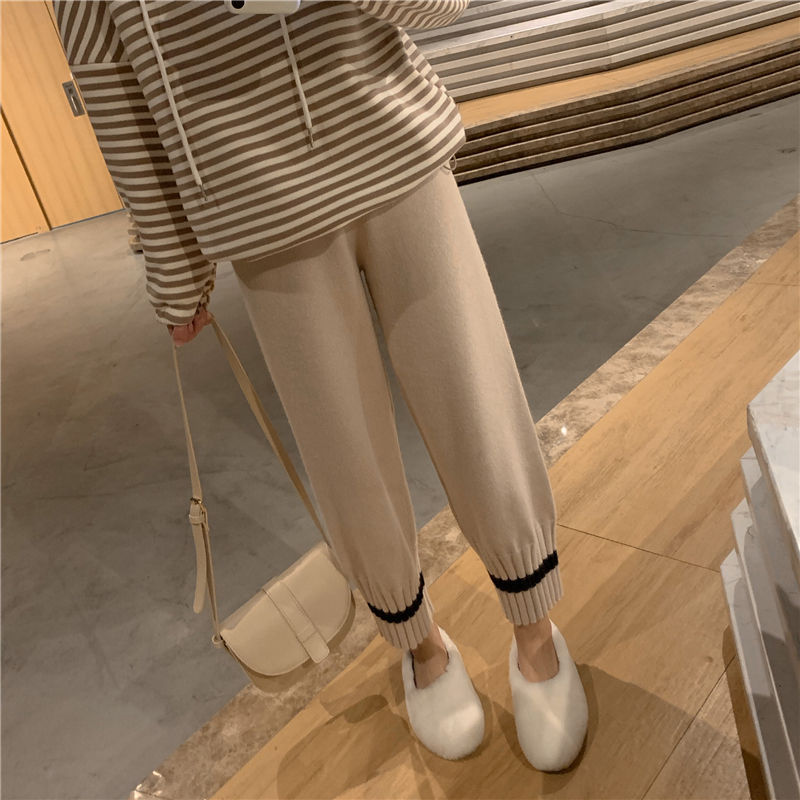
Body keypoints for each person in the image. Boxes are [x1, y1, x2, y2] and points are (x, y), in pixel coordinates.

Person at [54, 0, 587, 769]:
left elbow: (440, 8)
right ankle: (420, 647)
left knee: (477, 405)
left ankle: (535, 629)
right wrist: (174, 264)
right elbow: (112, 80)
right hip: (257, 202)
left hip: (391, 144)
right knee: (346, 454)